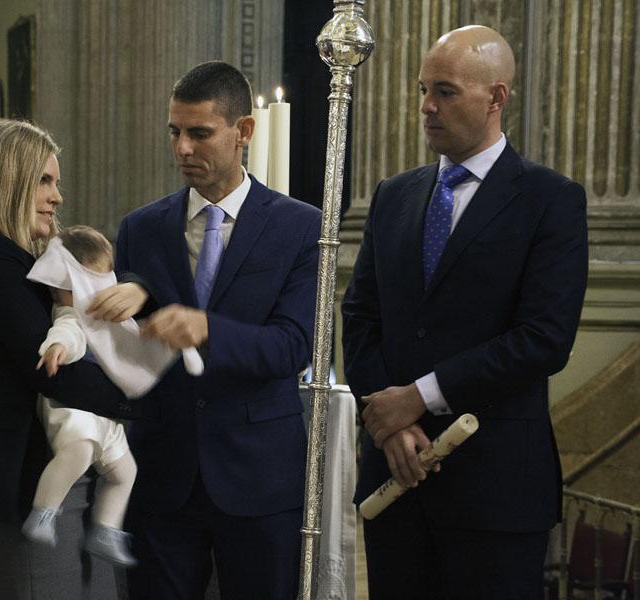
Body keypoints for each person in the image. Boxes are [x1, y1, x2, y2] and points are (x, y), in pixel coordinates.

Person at [342, 25, 588, 599]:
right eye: (423, 89)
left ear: (496, 98)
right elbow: (360, 316)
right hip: (395, 483)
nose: (426, 106)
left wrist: (420, 396)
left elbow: (545, 338)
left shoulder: (549, 199)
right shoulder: (394, 194)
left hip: (495, 490)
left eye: (445, 91)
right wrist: (390, 421)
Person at [93, 61, 321, 599]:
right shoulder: (141, 228)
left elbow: (295, 346)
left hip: (259, 473)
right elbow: (127, 345)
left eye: (199, 133)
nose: (182, 149)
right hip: (162, 472)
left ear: (243, 132)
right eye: (175, 132)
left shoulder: (302, 227)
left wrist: (206, 329)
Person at [0, 119, 146, 600]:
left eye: (57, 182)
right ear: (5, 181)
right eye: (44, 180)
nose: (57, 196)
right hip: (21, 480)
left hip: (54, 475)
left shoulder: (18, 259)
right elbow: (52, 372)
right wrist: (143, 403)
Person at [22, 225, 138, 568]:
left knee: (125, 473)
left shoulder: (103, 316)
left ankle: (105, 529)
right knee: (79, 451)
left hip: (104, 417)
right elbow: (68, 332)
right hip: (73, 411)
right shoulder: (70, 314)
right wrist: (57, 347)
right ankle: (44, 510)